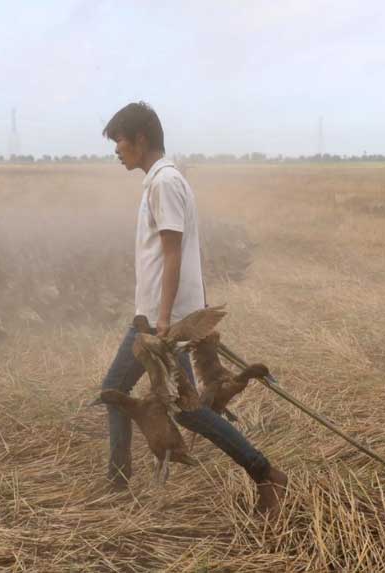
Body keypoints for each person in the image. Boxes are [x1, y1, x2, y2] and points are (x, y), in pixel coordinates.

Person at [100, 102, 287, 516]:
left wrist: (165, 321)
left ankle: (265, 473)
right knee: (129, 397)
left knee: (169, 407)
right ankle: (117, 483)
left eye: (120, 142)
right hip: (156, 318)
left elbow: (173, 253)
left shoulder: (164, 183)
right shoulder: (163, 180)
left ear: (141, 139)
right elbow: (179, 251)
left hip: (160, 323)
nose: (116, 151)